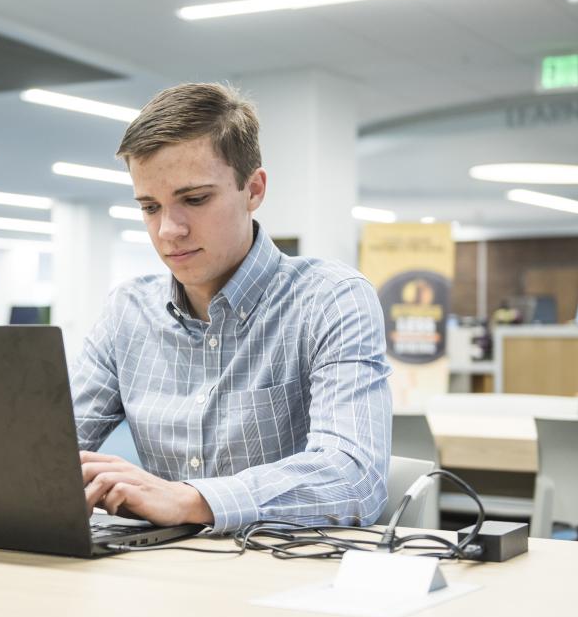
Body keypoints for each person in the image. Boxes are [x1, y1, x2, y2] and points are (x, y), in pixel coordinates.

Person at [71, 83, 392, 533]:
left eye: (195, 199)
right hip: (164, 574)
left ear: (253, 189)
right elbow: (48, 453)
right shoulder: (127, 310)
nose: (169, 230)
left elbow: (355, 477)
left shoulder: (332, 299)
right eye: (149, 207)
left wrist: (191, 500)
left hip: (291, 579)